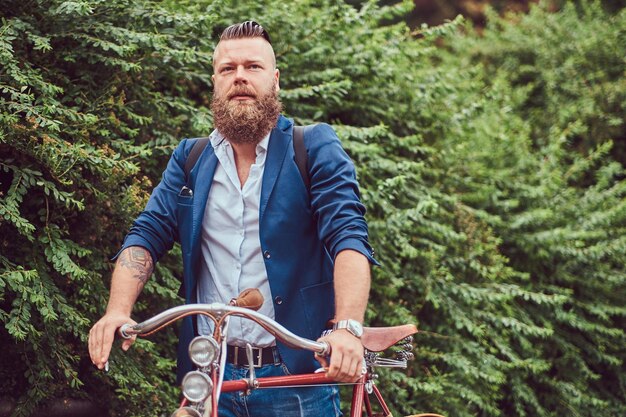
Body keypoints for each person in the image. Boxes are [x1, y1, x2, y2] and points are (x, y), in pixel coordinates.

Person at [88, 21, 377, 416]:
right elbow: (148, 232)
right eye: (228, 69)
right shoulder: (190, 159)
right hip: (211, 372)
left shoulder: (312, 147)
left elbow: (348, 237)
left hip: (293, 379)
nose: (239, 76)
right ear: (215, 82)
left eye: (252, 67)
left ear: (274, 81)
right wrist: (117, 311)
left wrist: (347, 327)